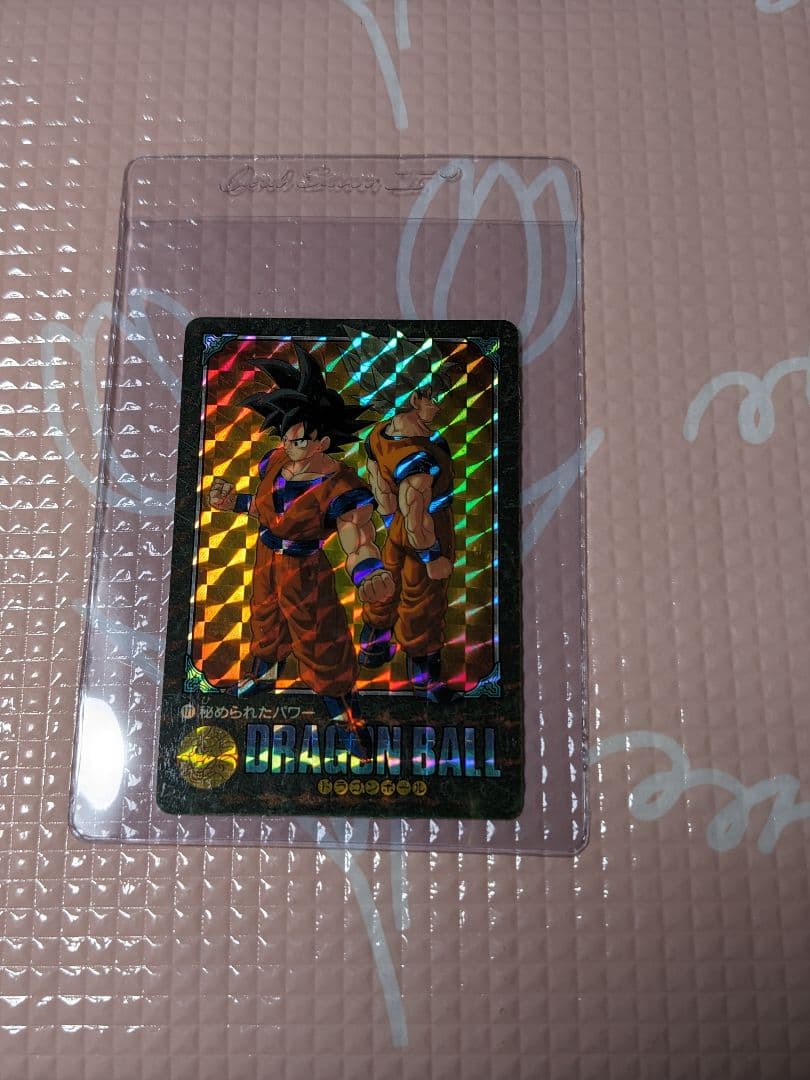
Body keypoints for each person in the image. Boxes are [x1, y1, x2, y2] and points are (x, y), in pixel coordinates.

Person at [208, 343, 394, 754]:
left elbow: (357, 537)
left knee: (321, 641)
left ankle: (347, 717)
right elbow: (269, 510)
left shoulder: (342, 487)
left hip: (305, 568)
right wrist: (234, 502)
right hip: (267, 560)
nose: (291, 441)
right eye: (287, 433)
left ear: (322, 441)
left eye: (300, 437)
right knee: (265, 622)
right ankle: (262, 675)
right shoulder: (274, 462)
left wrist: (369, 571)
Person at [341, 328, 459, 703]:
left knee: (387, 585)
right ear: (413, 398)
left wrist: (395, 527)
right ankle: (426, 681)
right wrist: (432, 556)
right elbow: (416, 514)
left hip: (397, 529)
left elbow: (382, 491)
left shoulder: (378, 435)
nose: (437, 404)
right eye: (432, 396)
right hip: (428, 532)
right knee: (423, 602)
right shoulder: (420, 455)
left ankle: (374, 647)